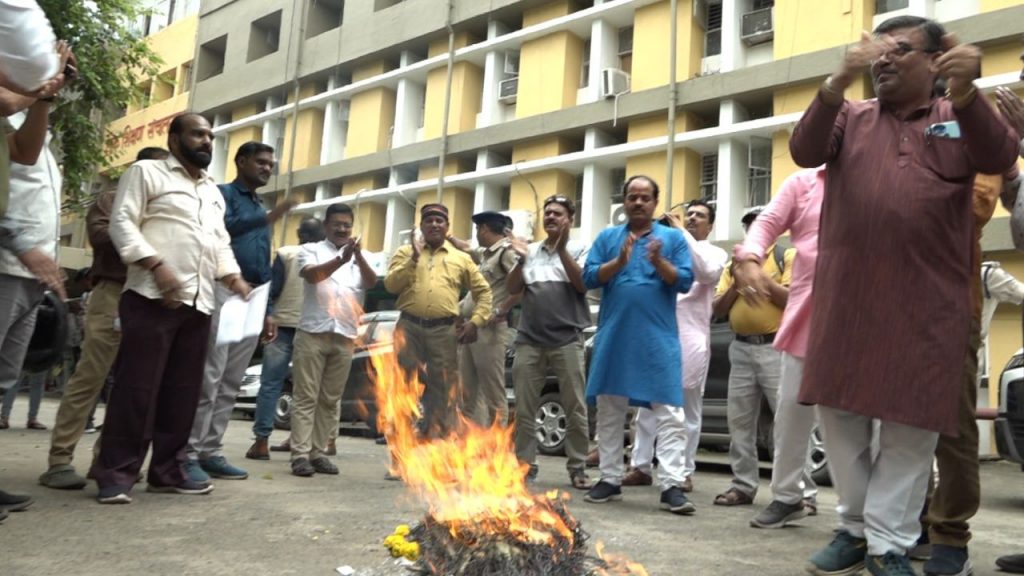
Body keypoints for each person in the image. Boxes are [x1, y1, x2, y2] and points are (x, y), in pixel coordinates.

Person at [789, 15, 1018, 575]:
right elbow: (802, 149)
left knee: (910, 431)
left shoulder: (956, 116)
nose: (882, 60)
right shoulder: (850, 116)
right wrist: (835, 81)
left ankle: (888, 546)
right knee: (839, 417)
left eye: (900, 51)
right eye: (876, 53)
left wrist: (966, 93)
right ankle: (853, 526)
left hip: (926, 305)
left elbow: (997, 155)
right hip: (848, 301)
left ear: (936, 62)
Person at [90, 113, 251, 504]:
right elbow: (122, 224)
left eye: (210, 136)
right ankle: (115, 474)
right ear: (174, 138)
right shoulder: (146, 172)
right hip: (150, 297)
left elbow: (218, 243)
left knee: (183, 393)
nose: (206, 142)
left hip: (198, 303)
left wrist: (232, 277)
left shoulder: (211, 190)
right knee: (136, 390)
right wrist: (155, 265)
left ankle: (167, 471)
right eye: (197, 134)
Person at [38, 147, 169, 491]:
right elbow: (100, 236)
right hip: (113, 292)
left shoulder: (168, 206)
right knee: (91, 378)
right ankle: (60, 460)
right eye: (158, 167)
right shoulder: (113, 199)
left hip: (149, 297)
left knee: (133, 386)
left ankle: (107, 460)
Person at [581, 175, 694, 514]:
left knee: (670, 412)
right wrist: (619, 261)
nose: (639, 202)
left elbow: (685, 281)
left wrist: (658, 261)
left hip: (657, 338)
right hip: (615, 336)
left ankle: (672, 484)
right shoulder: (608, 237)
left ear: (655, 202)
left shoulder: (672, 238)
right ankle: (610, 479)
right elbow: (588, 278)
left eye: (645, 197)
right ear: (624, 202)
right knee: (610, 407)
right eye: (632, 197)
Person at [186, 141, 293, 483]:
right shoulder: (222, 195)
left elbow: (263, 262)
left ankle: (211, 451)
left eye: (270, 164)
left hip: (254, 297)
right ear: (241, 161)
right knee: (210, 376)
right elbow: (219, 234)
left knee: (231, 380)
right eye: (261, 162)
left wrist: (269, 309)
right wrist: (267, 218)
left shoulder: (259, 205)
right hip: (224, 288)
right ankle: (188, 452)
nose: (267, 168)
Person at [732, 167, 824, 528]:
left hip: (861, 319)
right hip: (804, 325)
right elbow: (766, 222)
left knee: (859, 424)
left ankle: (868, 521)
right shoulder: (805, 183)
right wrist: (749, 259)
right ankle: (787, 497)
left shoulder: (879, 177)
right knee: (790, 415)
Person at [622, 199, 726, 494]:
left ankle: (682, 471)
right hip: (655, 335)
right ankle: (640, 466)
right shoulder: (669, 249)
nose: (692, 218)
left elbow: (705, 272)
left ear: (711, 224)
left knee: (685, 408)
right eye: (689, 214)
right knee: (645, 405)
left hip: (690, 338)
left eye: (699, 216)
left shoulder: (714, 252)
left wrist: (681, 231)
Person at [384, 203, 492, 439]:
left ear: (446, 227)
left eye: (439, 221)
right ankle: (401, 453)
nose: (434, 224)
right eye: (429, 220)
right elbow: (391, 285)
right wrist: (413, 256)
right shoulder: (404, 253)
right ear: (421, 226)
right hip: (409, 328)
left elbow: (484, 292)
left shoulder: (460, 258)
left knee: (443, 390)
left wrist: (476, 321)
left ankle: (437, 449)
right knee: (404, 388)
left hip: (443, 331)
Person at [505, 195, 592, 490]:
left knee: (575, 406)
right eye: (548, 213)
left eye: (558, 214)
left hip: (567, 339)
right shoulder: (528, 250)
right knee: (525, 407)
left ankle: (578, 466)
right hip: (529, 340)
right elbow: (513, 288)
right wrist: (520, 260)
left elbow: (582, 284)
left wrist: (563, 248)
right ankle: (525, 466)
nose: (551, 217)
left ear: (570, 219)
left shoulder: (582, 248)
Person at [710, 207, 794, 508]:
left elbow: (793, 299)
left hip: (775, 347)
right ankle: (743, 486)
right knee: (740, 423)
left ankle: (800, 494)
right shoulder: (732, 267)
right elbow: (718, 309)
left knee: (787, 423)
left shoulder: (786, 256)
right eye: (748, 225)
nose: (752, 229)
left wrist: (761, 280)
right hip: (741, 348)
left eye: (757, 223)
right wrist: (737, 278)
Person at [287, 204, 376, 476]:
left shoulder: (363, 256)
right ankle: (299, 455)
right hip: (313, 333)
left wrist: (357, 257)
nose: (342, 229)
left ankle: (318, 453)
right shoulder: (309, 250)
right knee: (306, 397)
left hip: (345, 335)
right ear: (326, 226)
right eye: (336, 224)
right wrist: (340, 259)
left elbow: (371, 283)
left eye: (346, 225)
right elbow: (313, 276)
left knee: (330, 398)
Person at [245, 216, 324, 460]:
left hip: (280, 326)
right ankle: (298, 439)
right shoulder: (323, 256)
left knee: (270, 384)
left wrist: (266, 316)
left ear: (299, 234)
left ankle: (261, 441)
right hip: (310, 327)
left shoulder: (285, 253)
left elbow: (272, 288)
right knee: (306, 389)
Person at [448, 211, 521, 427]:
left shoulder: (506, 253)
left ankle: (497, 448)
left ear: (485, 229)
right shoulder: (486, 254)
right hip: (469, 328)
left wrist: (501, 310)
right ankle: (474, 446)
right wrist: (449, 237)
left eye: (478, 229)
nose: (477, 234)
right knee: (468, 392)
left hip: (490, 331)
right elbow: (467, 248)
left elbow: (520, 287)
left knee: (493, 393)